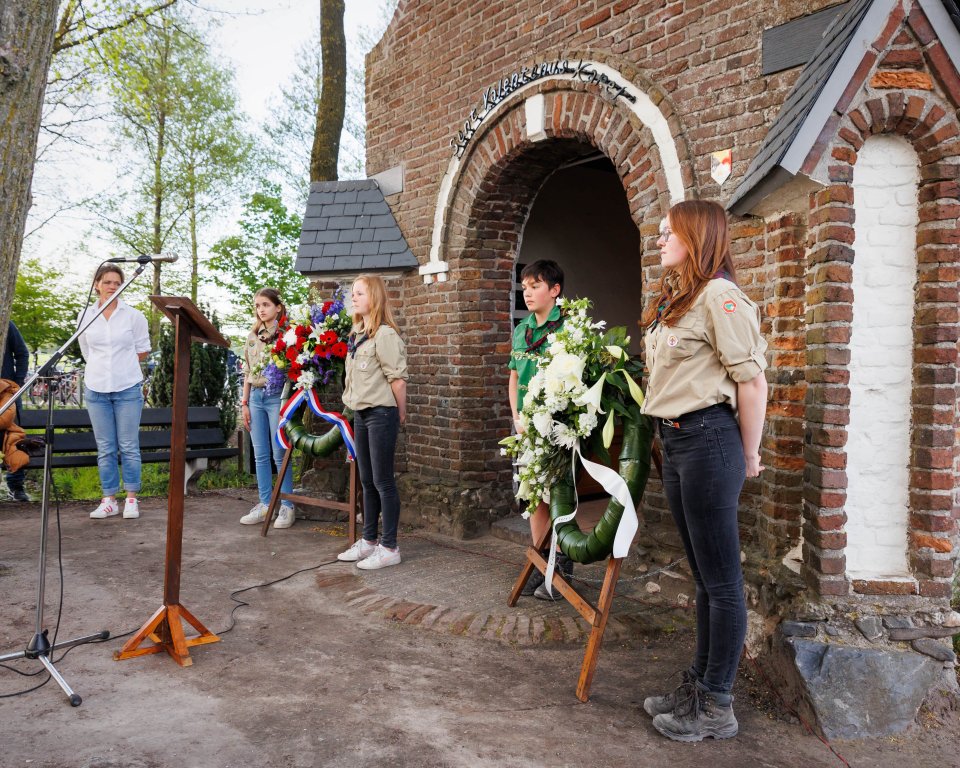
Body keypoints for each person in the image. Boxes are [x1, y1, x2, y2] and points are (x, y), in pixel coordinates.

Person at [639, 200, 768, 742]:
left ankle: (717, 704)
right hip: (676, 442)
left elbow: (752, 382)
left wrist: (750, 455)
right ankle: (699, 683)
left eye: (670, 233)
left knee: (722, 582)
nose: (660, 240)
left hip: (710, 441)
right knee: (704, 580)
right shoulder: (679, 298)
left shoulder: (720, 296)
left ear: (697, 238)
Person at [507, 259, 573, 600]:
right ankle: (539, 562)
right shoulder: (522, 330)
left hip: (556, 427)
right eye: (524, 286)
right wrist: (516, 416)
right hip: (526, 429)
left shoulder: (568, 328)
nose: (527, 292)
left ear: (554, 290)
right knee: (533, 498)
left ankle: (561, 567)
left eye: (534, 286)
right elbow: (514, 376)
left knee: (556, 495)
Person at [336, 275, 408, 570]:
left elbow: (398, 380)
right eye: (352, 293)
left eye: (360, 293)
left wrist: (400, 413)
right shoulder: (356, 333)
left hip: (381, 413)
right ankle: (368, 541)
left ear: (374, 298)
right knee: (366, 479)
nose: (353, 297)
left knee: (383, 481)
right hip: (361, 414)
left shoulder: (385, 335)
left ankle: (389, 547)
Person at [78, 265, 151, 520]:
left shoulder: (134, 316)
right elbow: (86, 350)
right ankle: (109, 499)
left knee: (129, 445)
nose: (112, 286)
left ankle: (131, 499)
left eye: (116, 282)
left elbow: (143, 350)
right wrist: (103, 368)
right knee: (105, 447)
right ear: (96, 283)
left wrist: (122, 365)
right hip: (96, 389)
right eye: (107, 281)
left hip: (127, 388)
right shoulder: (85, 316)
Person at [239, 288, 296, 529]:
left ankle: (287, 505)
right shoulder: (252, 336)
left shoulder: (288, 334)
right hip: (256, 398)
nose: (261, 309)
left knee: (278, 453)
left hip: (276, 397)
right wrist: (244, 403)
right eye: (258, 306)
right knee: (259, 454)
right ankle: (265, 504)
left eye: (266, 305)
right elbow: (247, 372)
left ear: (278, 307)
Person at [3, 320, 30, 501]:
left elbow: (22, 353)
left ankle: (16, 486)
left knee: (14, 438)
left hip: (7, 391)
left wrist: (18, 384)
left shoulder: (5, 322)